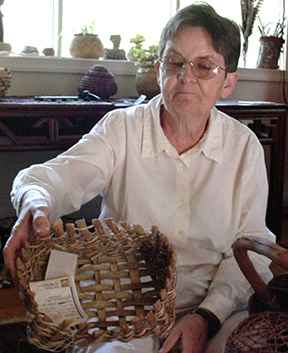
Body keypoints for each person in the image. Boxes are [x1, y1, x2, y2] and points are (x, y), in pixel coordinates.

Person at [4, 3, 274, 353]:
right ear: (160, 68)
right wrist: (35, 202)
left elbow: (252, 247)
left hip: (215, 305)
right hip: (125, 308)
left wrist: (207, 317)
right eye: (175, 62)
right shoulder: (123, 129)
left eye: (204, 66)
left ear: (228, 83)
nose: (185, 76)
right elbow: (60, 175)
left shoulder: (243, 147)